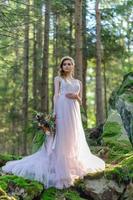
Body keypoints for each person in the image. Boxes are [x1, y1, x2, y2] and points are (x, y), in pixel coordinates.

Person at [2, 56, 105, 189]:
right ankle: (60, 164)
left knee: (72, 135)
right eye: (64, 64)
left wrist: (76, 97)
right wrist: (55, 113)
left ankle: (71, 161)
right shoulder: (58, 79)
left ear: (73, 66)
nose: (67, 66)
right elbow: (56, 95)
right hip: (62, 108)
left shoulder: (78, 82)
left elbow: (80, 100)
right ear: (61, 67)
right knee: (60, 135)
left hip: (73, 111)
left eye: (69, 64)